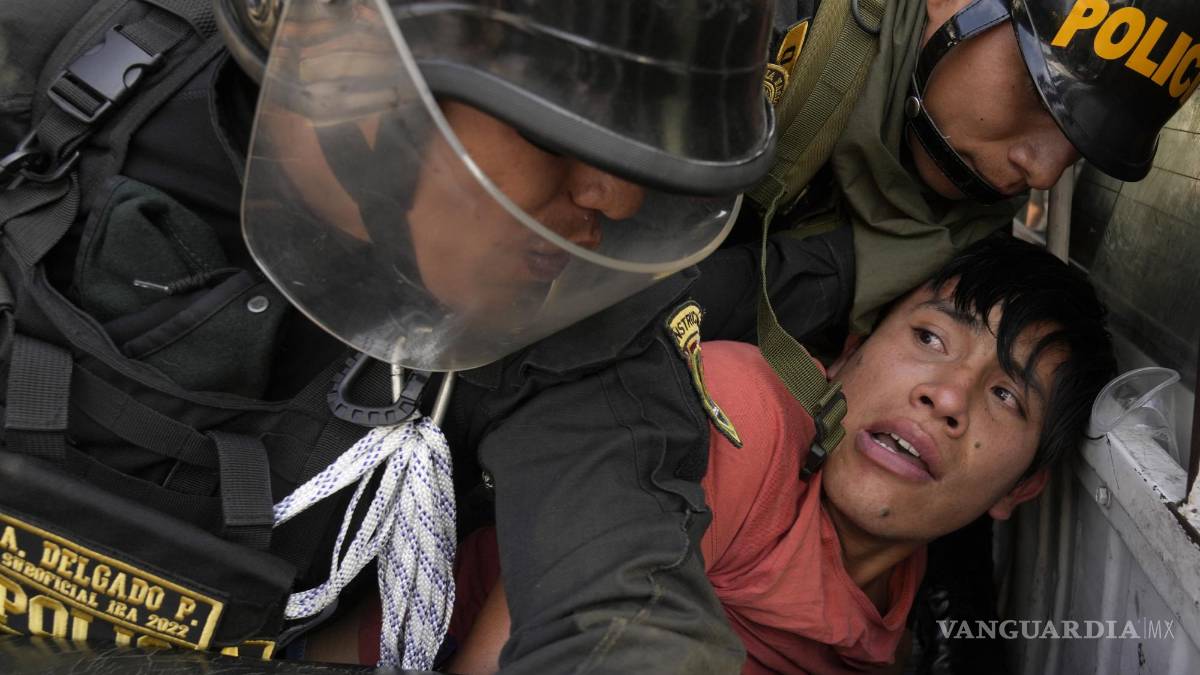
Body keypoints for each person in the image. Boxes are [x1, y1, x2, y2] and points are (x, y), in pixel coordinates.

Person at [0, 0, 780, 672]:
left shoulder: (567, 308)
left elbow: (622, 593)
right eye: (557, 130)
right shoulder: (37, 76)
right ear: (344, 61)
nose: (615, 197)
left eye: (643, 141)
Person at [433, 236, 1117, 674]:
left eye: (1005, 395)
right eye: (930, 338)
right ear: (849, 353)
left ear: (1020, 487)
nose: (945, 395)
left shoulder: (894, 614)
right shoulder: (746, 415)